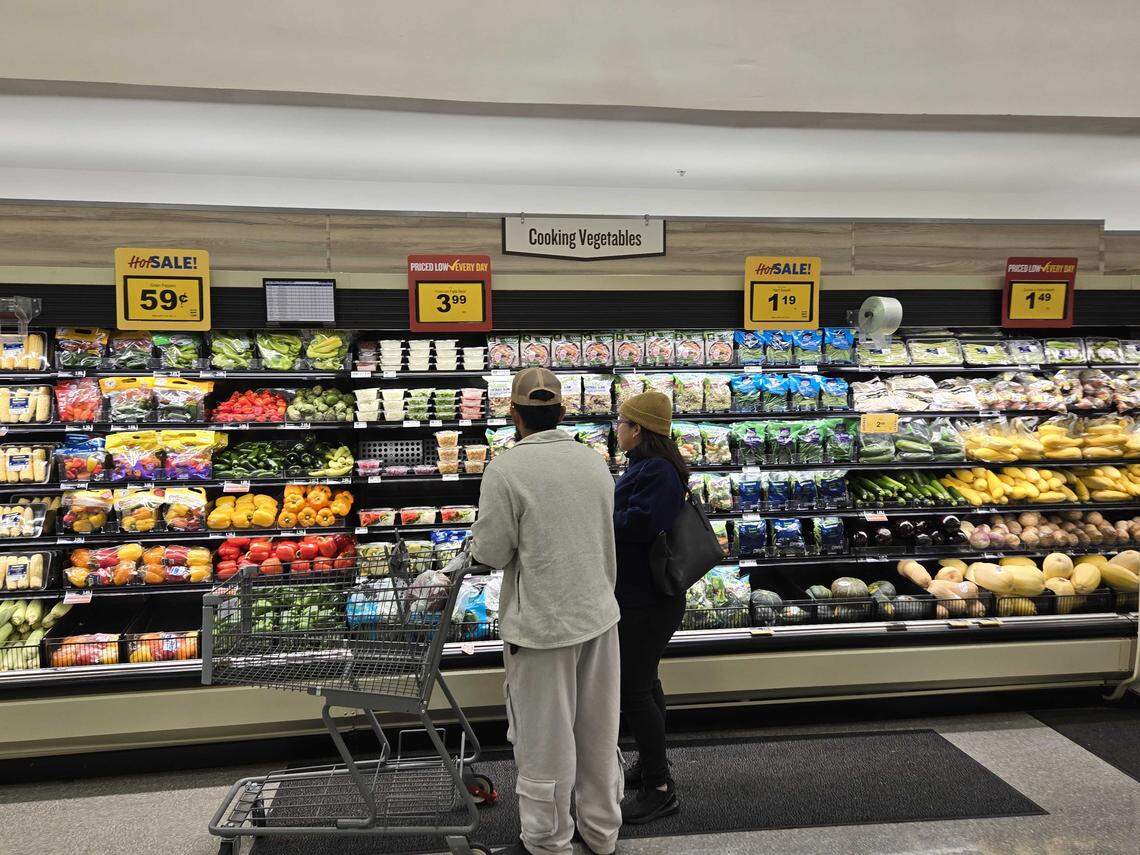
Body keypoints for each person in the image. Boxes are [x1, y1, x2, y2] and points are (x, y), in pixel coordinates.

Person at [469, 367, 624, 855]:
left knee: (544, 743)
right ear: (562, 412)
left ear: (514, 414)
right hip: (599, 617)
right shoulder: (594, 461)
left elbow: (492, 551)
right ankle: (601, 835)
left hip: (541, 629)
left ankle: (546, 842)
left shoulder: (507, 469)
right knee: (598, 735)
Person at [612, 390, 687, 825]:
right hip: (646, 595)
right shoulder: (648, 466)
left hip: (649, 599)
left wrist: (601, 513)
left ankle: (659, 789)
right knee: (646, 683)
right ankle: (652, 763)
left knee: (634, 691)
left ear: (638, 429)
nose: (617, 429)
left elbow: (642, 525)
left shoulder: (657, 470)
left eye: (622, 423)